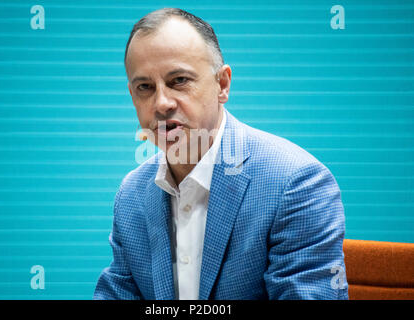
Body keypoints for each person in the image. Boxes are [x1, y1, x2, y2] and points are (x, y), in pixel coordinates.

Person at [93, 8, 348, 300]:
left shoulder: (295, 183)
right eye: (145, 87)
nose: (161, 103)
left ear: (222, 85)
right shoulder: (131, 195)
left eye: (179, 81)